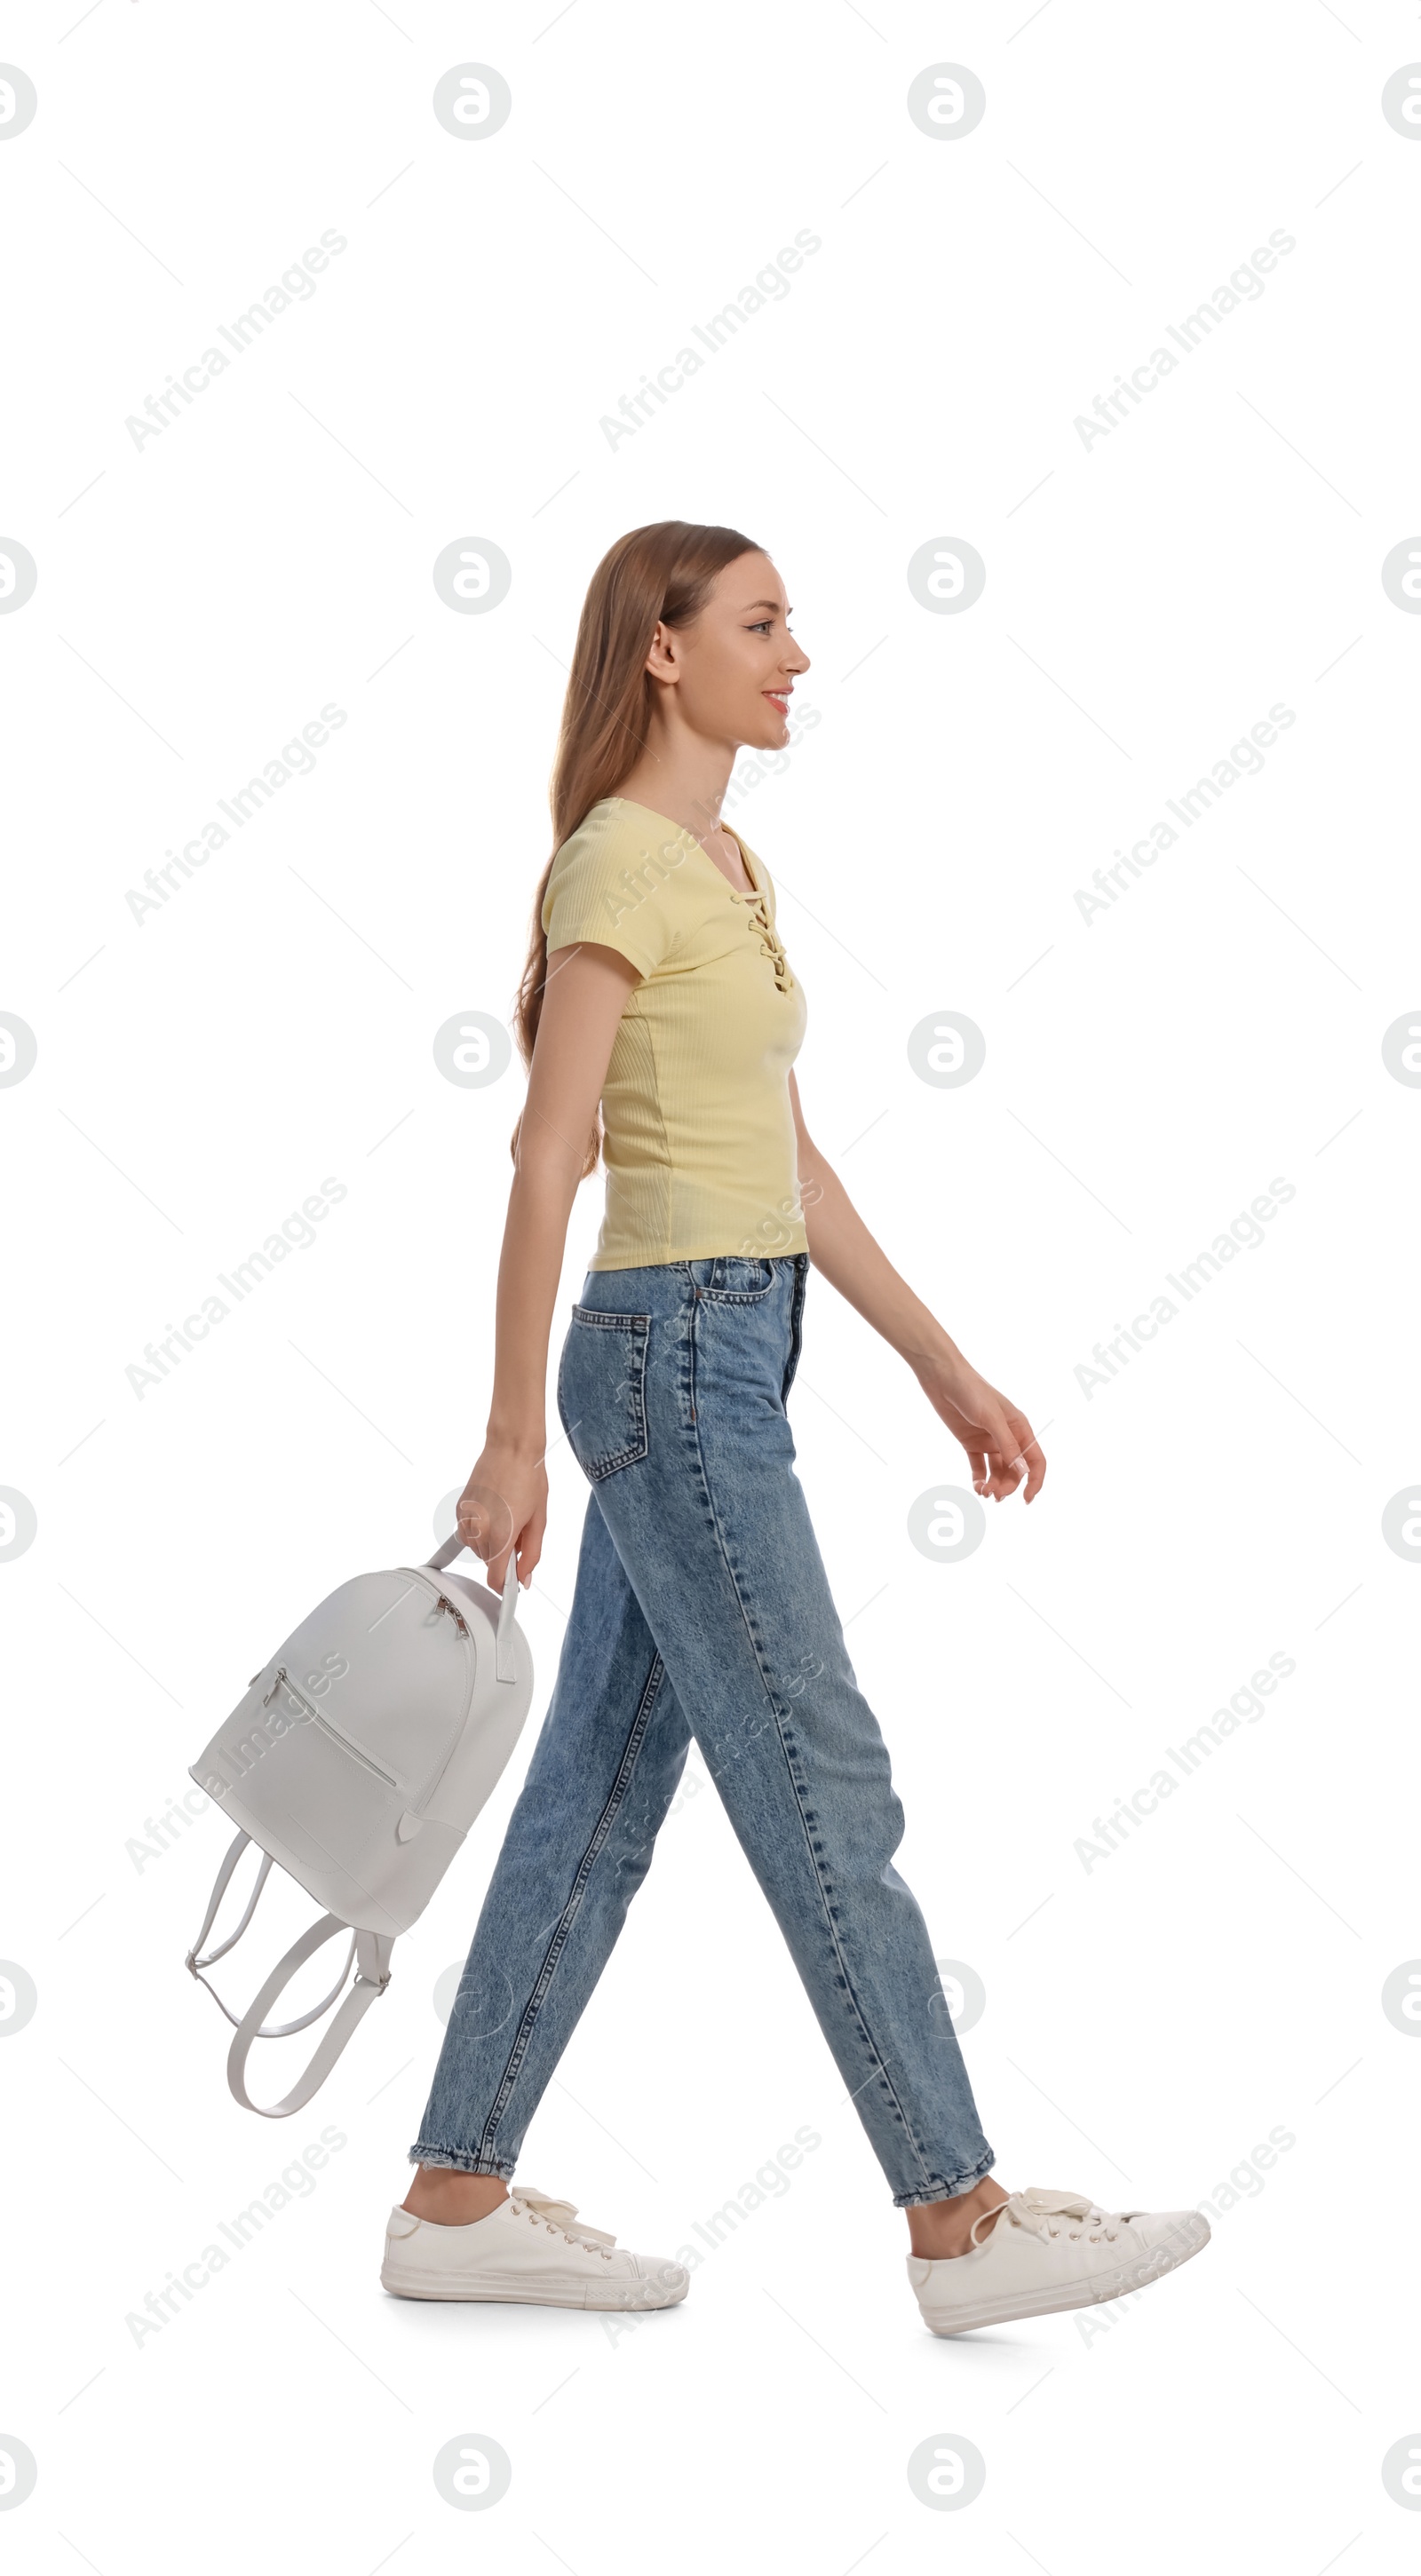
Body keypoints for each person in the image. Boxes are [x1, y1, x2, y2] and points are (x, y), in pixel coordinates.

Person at [379, 520, 1211, 2334]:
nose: (798, 653)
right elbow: (546, 1153)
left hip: (732, 1350)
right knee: (821, 1778)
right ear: (663, 651)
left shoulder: (726, 861)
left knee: (599, 1788)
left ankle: (454, 2196)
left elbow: (792, 1160)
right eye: (761, 623)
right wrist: (510, 1432)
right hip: (665, 1358)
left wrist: (940, 1361)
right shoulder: (613, 861)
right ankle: (958, 2218)